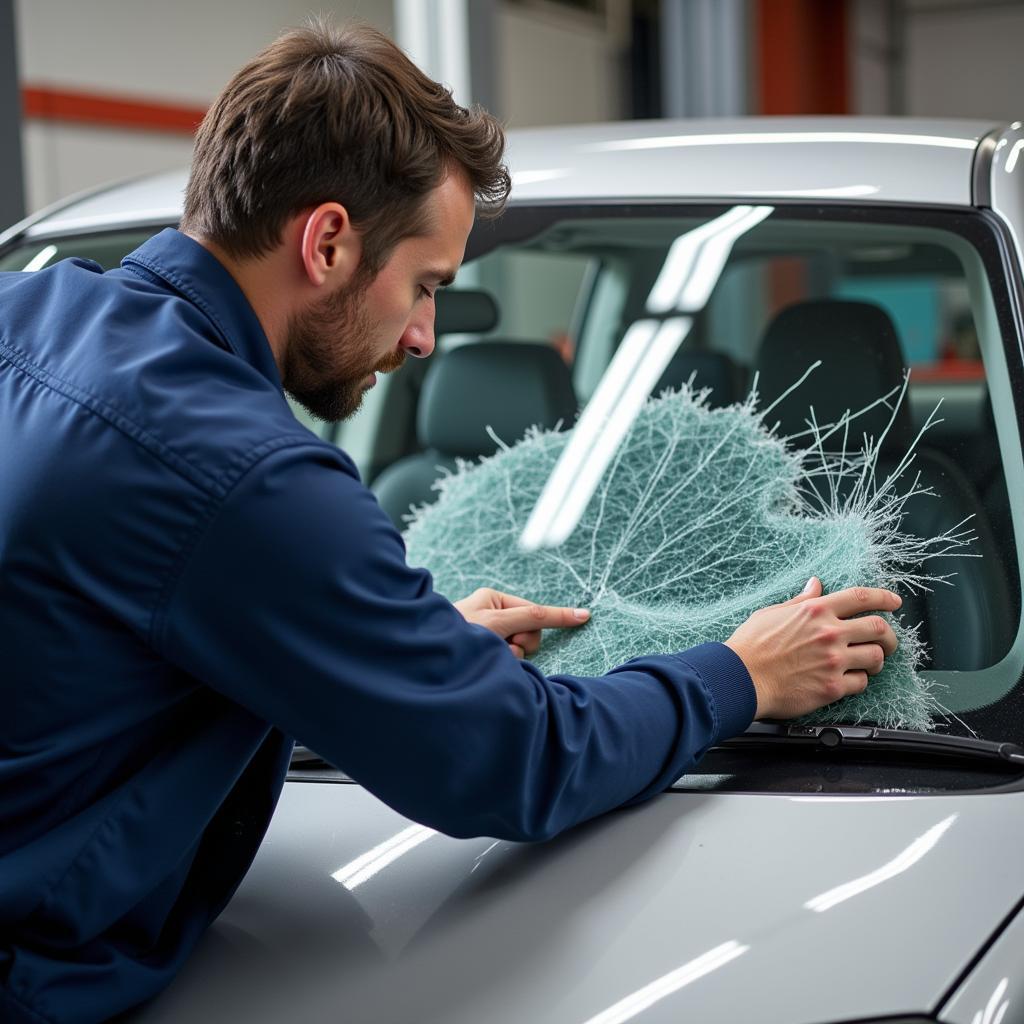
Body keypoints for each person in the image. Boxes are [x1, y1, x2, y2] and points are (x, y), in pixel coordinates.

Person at [0, 21, 901, 1024]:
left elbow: (100, 633)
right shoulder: (249, 478)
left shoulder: (20, 317)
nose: (426, 334)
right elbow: (516, 760)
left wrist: (402, 648)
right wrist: (741, 673)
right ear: (328, 239)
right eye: (424, 284)